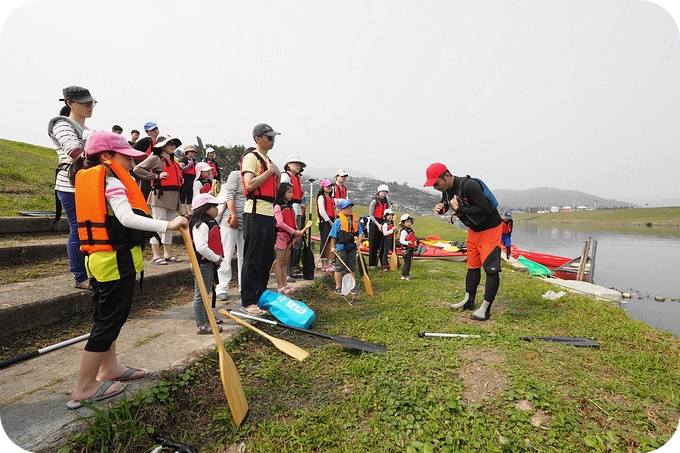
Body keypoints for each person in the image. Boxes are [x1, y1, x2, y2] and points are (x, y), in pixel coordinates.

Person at [67, 131, 188, 409]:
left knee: (108, 319)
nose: (132, 163)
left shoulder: (97, 177)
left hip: (100, 261)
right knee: (107, 322)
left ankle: (108, 369)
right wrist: (167, 225)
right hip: (114, 263)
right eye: (127, 157)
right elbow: (126, 217)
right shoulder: (111, 179)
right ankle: (84, 386)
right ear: (108, 156)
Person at [424, 163, 503, 321]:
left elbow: (486, 209)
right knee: (472, 265)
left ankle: (485, 309)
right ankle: (469, 301)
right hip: (473, 231)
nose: (435, 187)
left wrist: (459, 209)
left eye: (436, 183)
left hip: (490, 229)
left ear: (446, 176)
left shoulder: (470, 185)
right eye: (432, 185)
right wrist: (442, 208)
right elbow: (448, 204)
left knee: (491, 269)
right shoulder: (446, 191)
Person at [47, 85, 97, 291]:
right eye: (84, 102)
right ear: (69, 103)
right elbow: (75, 152)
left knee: (91, 230)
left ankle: (91, 272)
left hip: (89, 185)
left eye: (91, 102)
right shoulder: (62, 124)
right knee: (78, 229)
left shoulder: (88, 130)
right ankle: (80, 276)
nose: (89, 106)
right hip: (70, 185)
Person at [239, 123, 281, 315]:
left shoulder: (268, 160)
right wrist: (269, 172)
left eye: (273, 137)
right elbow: (250, 184)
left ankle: (260, 295)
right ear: (258, 138)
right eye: (269, 137)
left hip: (268, 213)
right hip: (254, 212)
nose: (272, 140)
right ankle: (248, 300)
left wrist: (277, 175)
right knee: (253, 258)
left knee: (266, 258)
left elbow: (275, 189)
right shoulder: (251, 157)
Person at [133, 134, 184, 265]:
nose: (173, 146)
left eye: (174, 144)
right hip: (160, 196)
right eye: (170, 144)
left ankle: (167, 254)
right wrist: (156, 176)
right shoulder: (155, 159)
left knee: (170, 226)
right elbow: (137, 169)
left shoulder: (174, 162)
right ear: (162, 146)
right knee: (158, 224)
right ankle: (156, 255)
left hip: (174, 197)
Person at [213, 151, 250, 301]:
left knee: (244, 256)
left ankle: (244, 286)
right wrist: (234, 216)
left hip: (247, 221)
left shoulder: (255, 176)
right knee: (226, 254)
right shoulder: (236, 174)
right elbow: (230, 196)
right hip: (230, 220)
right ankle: (222, 287)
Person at [189, 193, 225, 334]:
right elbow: (201, 247)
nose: (217, 209)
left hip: (208, 264)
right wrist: (216, 258)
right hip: (202, 265)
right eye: (214, 206)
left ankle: (207, 317)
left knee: (206, 292)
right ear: (205, 208)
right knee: (201, 295)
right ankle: (201, 325)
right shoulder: (201, 224)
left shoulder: (208, 222)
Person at [273, 182, 302, 295]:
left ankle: (285, 284)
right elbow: (279, 223)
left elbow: (293, 221)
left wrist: (296, 232)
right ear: (282, 192)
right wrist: (293, 231)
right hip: (281, 237)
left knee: (285, 262)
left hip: (290, 237)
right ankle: (280, 286)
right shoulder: (277, 206)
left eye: (292, 192)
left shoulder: (290, 207)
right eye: (289, 192)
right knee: (279, 262)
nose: (291, 195)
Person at [329, 200, 363, 295]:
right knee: (339, 267)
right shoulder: (338, 221)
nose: (350, 209)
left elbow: (360, 233)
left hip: (352, 247)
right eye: (347, 207)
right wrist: (332, 247)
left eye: (351, 207)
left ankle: (352, 287)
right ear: (342, 209)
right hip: (341, 247)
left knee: (352, 267)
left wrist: (359, 241)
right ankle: (338, 287)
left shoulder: (355, 220)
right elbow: (333, 236)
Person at [280, 154, 306, 279]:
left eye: (299, 164)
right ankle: (286, 270)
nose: (298, 166)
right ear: (288, 165)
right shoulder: (286, 176)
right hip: (289, 207)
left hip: (296, 207)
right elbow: (283, 192)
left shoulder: (297, 178)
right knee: (291, 237)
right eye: (295, 163)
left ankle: (292, 267)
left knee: (297, 238)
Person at [132, 122, 160, 200]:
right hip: (145, 170)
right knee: (145, 190)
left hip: (156, 170)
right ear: (148, 132)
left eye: (156, 128)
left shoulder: (161, 142)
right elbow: (130, 151)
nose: (155, 131)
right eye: (152, 130)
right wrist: (135, 165)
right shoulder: (145, 141)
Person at [367, 184, 390, 268]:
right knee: (373, 244)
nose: (383, 193)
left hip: (383, 222)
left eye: (385, 191)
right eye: (382, 191)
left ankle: (383, 262)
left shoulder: (387, 201)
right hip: (374, 223)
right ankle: (372, 264)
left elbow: (388, 212)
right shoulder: (374, 201)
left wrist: (387, 223)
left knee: (383, 244)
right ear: (379, 192)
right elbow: (371, 215)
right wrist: (377, 224)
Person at [316, 179, 335, 272]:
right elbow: (322, 211)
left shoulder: (331, 198)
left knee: (329, 243)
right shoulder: (321, 197)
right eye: (327, 186)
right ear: (323, 187)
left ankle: (328, 262)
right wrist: (329, 222)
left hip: (331, 220)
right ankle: (323, 264)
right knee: (324, 242)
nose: (329, 188)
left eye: (330, 186)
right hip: (324, 221)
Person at [178, 145, 197, 215]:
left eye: (194, 152)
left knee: (190, 195)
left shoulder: (194, 161)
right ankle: (183, 212)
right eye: (191, 152)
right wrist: (189, 165)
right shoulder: (184, 159)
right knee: (183, 195)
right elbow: (182, 169)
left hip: (192, 179)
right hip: (185, 178)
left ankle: (190, 212)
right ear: (187, 152)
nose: (193, 153)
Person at [399, 214, 417, 281]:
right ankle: (407, 276)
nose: (409, 223)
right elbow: (401, 240)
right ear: (403, 223)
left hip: (410, 249)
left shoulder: (409, 230)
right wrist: (407, 243)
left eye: (410, 221)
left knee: (407, 262)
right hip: (406, 250)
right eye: (407, 222)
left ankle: (403, 275)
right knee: (407, 263)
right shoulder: (404, 231)